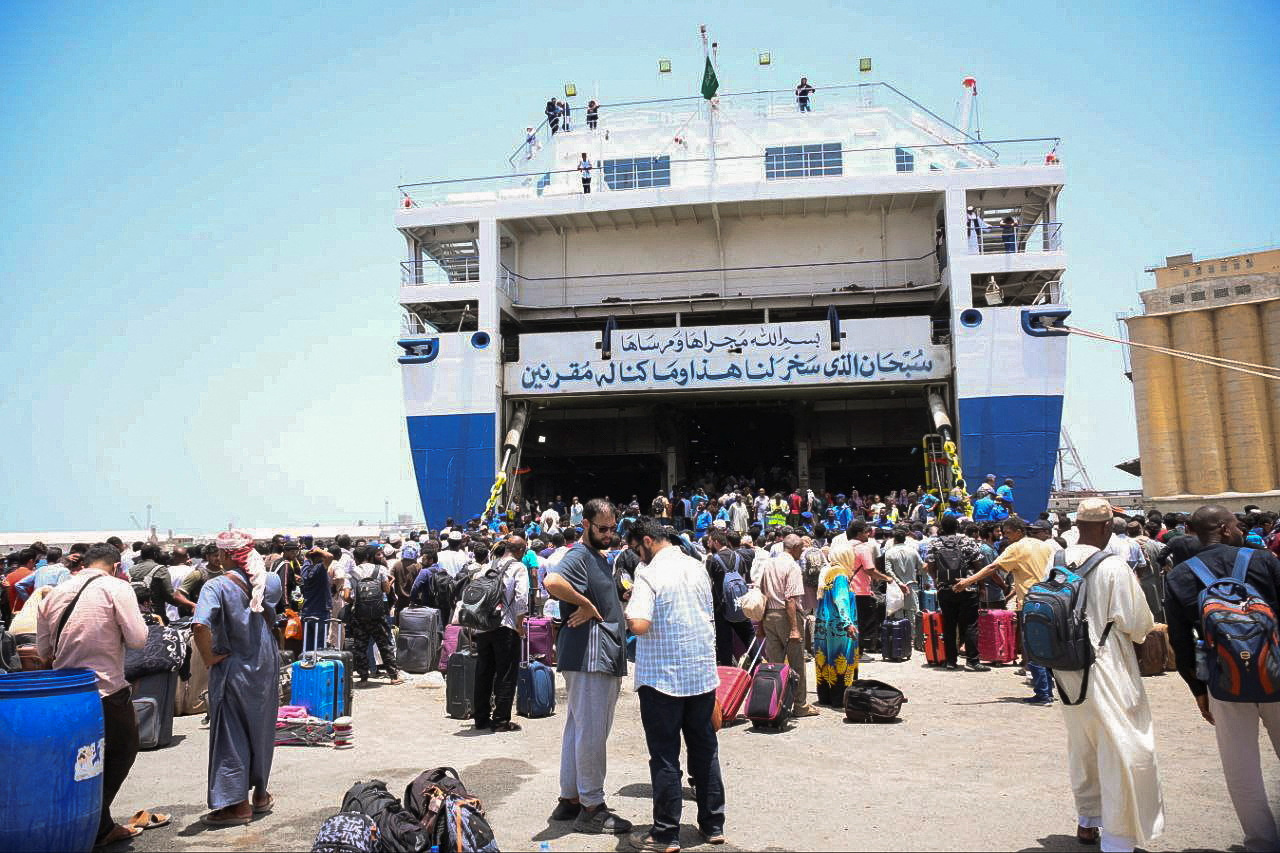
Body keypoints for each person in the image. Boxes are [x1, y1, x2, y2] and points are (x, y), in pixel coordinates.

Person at [1165, 505, 1280, 852]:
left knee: (1241, 768)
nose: (1240, 528)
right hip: (1277, 674)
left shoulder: (1181, 576)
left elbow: (1181, 642)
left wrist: (1198, 690)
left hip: (1225, 682)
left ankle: (1261, 843)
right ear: (1226, 529)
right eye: (1236, 524)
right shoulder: (1264, 561)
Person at [1053, 499, 1163, 851]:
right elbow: (1138, 624)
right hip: (1105, 663)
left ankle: (1088, 821)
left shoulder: (1056, 560)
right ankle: (1118, 838)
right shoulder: (1114, 566)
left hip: (1066, 668)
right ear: (1105, 527)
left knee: (1082, 744)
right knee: (1122, 746)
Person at [36, 543, 159, 847]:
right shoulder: (117, 587)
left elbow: (43, 652)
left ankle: (85, 821)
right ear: (117, 566)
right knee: (122, 751)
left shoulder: (54, 594)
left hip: (67, 694)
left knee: (77, 761)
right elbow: (138, 639)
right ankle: (98, 823)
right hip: (106, 690)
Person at [624, 519, 725, 852]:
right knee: (705, 749)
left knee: (665, 756)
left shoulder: (648, 573)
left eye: (637, 549)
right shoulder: (697, 566)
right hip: (700, 674)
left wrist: (626, 609)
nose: (637, 556)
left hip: (662, 679)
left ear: (648, 541)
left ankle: (666, 834)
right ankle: (713, 824)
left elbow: (639, 624)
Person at [542, 499, 633, 835]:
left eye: (612, 528)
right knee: (592, 731)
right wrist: (587, 604)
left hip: (591, 655)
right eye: (602, 528)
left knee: (579, 729)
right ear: (585, 524)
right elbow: (552, 582)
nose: (608, 534)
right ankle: (592, 806)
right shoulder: (580, 554)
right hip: (591, 655)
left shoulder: (598, 556)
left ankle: (571, 798)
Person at [191, 531, 281, 826]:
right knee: (262, 728)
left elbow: (200, 625)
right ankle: (261, 795)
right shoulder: (270, 581)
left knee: (231, 733)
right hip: (265, 663)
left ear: (226, 555)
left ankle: (237, 805)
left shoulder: (215, 586)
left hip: (234, 665)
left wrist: (208, 658)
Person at [954, 518, 1055, 701]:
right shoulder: (1044, 546)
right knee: (1045, 646)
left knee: (1032, 647)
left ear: (1019, 531)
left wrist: (968, 581)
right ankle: (1048, 688)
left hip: (1030, 601)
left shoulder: (1016, 548)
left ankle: (1043, 692)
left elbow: (993, 567)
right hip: (1051, 600)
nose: (1005, 537)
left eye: (1008, 533)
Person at [754, 534, 819, 718]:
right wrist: (795, 629)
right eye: (801, 549)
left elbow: (762, 595)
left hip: (769, 616)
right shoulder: (792, 567)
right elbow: (790, 599)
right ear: (795, 548)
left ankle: (775, 703)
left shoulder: (769, 564)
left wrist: (761, 624)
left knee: (775, 664)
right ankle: (800, 705)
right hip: (787, 618)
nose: (802, 552)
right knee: (797, 664)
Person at [473, 535, 530, 733]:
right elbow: (521, 598)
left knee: (483, 672)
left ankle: (481, 718)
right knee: (506, 674)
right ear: (521, 550)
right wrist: (520, 625)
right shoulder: (518, 568)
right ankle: (500, 721)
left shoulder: (487, 566)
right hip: (506, 626)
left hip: (483, 626)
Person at [923, 515, 989, 671]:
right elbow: (978, 564)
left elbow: (930, 567)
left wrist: (937, 582)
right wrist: (981, 585)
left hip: (946, 590)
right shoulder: (968, 541)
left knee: (949, 624)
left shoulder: (934, 543)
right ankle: (973, 661)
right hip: (967, 588)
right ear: (957, 527)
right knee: (970, 624)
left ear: (942, 528)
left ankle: (951, 661)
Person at [343, 546, 403, 685]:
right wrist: (389, 583)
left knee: (361, 646)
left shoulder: (351, 573)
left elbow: (346, 596)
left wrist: (356, 602)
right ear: (368, 556)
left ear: (355, 558)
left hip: (359, 615)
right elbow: (386, 590)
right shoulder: (380, 569)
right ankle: (393, 677)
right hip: (378, 613)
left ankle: (364, 678)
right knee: (384, 643)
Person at [813, 538, 859, 706]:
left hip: (825, 624)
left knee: (825, 658)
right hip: (839, 626)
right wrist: (848, 623)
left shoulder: (828, 572)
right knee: (841, 658)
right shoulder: (840, 575)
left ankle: (826, 696)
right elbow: (841, 599)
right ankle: (840, 698)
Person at [705, 529, 755, 666]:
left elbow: (708, 583)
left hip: (721, 607)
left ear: (716, 542)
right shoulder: (739, 557)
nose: (708, 544)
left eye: (710, 541)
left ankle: (727, 669)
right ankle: (758, 664)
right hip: (739, 603)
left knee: (724, 641)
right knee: (749, 635)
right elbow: (744, 577)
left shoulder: (712, 560)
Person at [300, 546, 336, 652]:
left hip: (307, 611)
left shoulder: (305, 569)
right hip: (320, 611)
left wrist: (308, 554)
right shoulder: (319, 569)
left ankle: (307, 662)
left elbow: (306, 559)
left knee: (308, 645)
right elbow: (330, 556)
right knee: (319, 645)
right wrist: (319, 550)